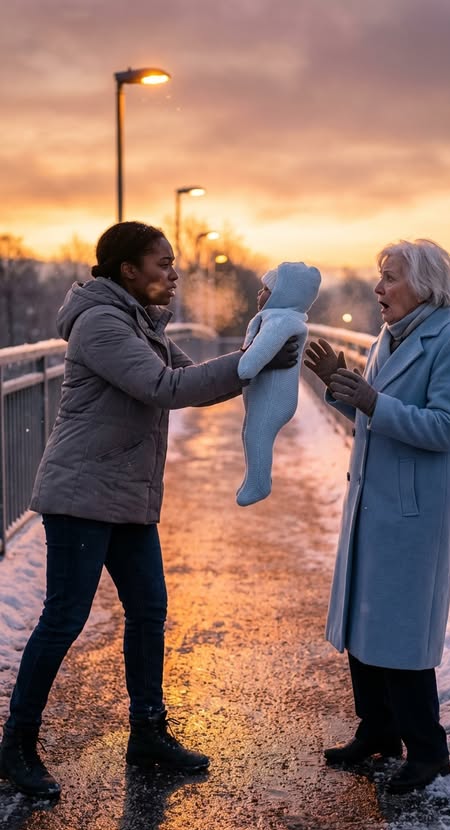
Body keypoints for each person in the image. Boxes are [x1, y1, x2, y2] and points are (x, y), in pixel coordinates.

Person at [0, 221, 298, 800]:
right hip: (83, 494)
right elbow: (163, 386)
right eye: (161, 264)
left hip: (126, 495)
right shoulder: (102, 323)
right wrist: (250, 360)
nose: (174, 273)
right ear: (126, 270)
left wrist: (257, 354)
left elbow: (195, 382)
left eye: (173, 263)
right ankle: (14, 746)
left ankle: (147, 733)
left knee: (149, 609)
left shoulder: (139, 322)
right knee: (64, 618)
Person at [304, 238, 450, 794]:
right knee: (366, 620)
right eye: (380, 277)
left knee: (400, 634)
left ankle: (428, 752)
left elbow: (447, 428)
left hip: (413, 510)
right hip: (374, 502)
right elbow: (371, 410)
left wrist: (373, 400)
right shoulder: (392, 335)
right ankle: (377, 732)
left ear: (425, 286)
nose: (378, 288)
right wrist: (341, 385)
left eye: (390, 278)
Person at [236, 262, 321, 506]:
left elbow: (248, 365)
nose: (258, 294)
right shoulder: (277, 319)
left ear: (283, 295)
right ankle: (254, 479)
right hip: (268, 396)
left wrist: (243, 358)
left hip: (275, 398)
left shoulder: (281, 322)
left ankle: (259, 484)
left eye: (265, 289)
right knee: (250, 433)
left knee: (256, 435)